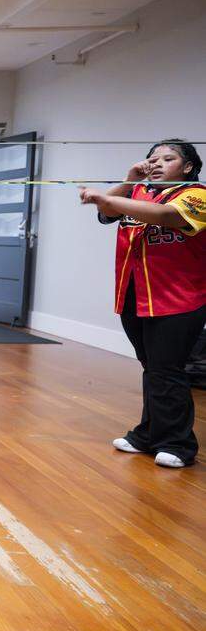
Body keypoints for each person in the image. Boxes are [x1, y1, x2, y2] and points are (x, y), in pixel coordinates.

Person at [79, 138, 206, 468]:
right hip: (136, 295)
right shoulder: (137, 192)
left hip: (179, 299)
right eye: (153, 158)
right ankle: (149, 434)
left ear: (188, 167)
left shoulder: (197, 195)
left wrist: (108, 197)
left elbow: (166, 215)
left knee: (167, 369)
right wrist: (130, 179)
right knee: (153, 368)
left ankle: (179, 444)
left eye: (168, 158)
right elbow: (107, 212)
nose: (157, 163)